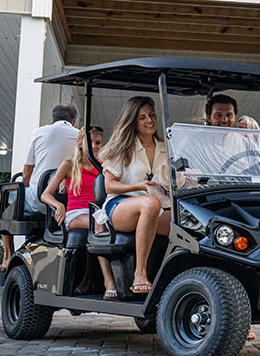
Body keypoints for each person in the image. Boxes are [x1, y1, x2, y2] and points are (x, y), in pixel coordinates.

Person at [98, 96, 170, 294]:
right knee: (150, 204)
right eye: (142, 117)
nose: (149, 120)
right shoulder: (122, 148)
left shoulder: (166, 148)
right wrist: (137, 186)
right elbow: (109, 186)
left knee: (190, 221)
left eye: (152, 115)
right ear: (132, 121)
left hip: (157, 207)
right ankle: (140, 273)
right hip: (121, 206)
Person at [40, 127, 118, 299]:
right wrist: (58, 205)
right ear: (80, 143)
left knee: (111, 221)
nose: (95, 146)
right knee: (98, 223)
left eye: (98, 142)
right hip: (75, 214)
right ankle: (109, 281)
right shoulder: (69, 164)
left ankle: (99, 279)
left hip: (98, 212)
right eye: (91, 142)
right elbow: (45, 194)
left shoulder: (102, 166)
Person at [0, 103, 78, 272]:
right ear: (74, 121)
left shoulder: (39, 133)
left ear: (52, 119)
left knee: (3, 196)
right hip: (68, 201)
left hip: (40, 199)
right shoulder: (80, 137)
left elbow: (27, 173)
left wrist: (28, 186)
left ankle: (7, 255)